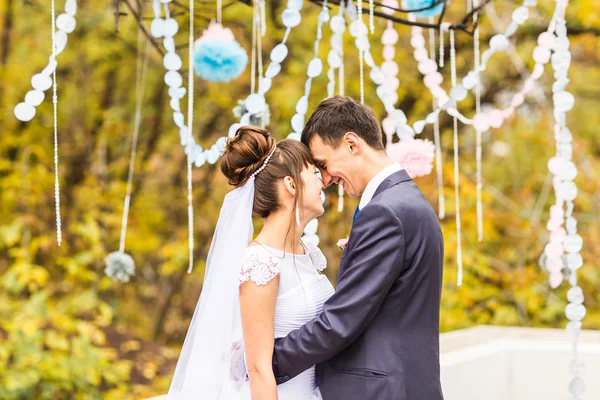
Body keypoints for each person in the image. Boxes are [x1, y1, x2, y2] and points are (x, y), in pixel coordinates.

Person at [271, 96, 445, 400]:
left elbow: (341, 320)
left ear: (352, 143)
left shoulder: (385, 212)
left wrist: (264, 360)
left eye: (323, 164)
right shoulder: (405, 200)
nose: (325, 179)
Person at [167, 126, 333, 399]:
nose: (323, 181)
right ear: (291, 185)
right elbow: (258, 368)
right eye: (314, 173)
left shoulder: (309, 252)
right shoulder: (260, 263)